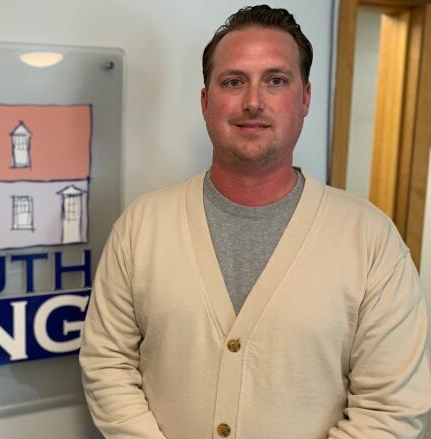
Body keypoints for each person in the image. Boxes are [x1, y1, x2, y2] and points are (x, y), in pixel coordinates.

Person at [79, 5, 431, 438]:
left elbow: (390, 408)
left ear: (304, 99)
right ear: (206, 101)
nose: (253, 102)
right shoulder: (141, 227)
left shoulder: (372, 242)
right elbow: (106, 363)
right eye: (233, 81)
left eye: (276, 80)